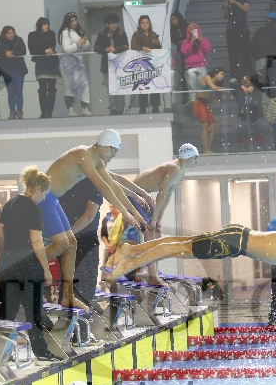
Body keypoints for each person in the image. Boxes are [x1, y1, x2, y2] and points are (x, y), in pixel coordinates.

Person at [104, 225, 276, 339]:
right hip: (235, 243)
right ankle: (129, 263)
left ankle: (131, 250)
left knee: (180, 243)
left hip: (238, 234)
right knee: (179, 249)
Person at [43, 129, 147, 310]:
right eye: (113, 150)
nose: (114, 155)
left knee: (69, 244)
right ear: (105, 146)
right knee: (58, 245)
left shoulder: (95, 161)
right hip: (44, 199)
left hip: (52, 202)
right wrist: (127, 212)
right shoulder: (83, 155)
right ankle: (28, 271)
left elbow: (114, 185)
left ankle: (67, 295)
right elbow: (103, 186)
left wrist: (133, 207)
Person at [0, 166, 59, 362]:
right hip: (27, 264)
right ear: (38, 188)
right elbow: (36, 241)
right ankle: (41, 352)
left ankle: (2, 353)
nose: (44, 198)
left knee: (8, 310)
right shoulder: (33, 208)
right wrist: (46, 270)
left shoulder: (10, 204)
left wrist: (9, 251)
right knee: (34, 310)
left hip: (7, 262)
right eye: (45, 194)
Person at [132, 143, 199, 285]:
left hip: (142, 195)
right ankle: (152, 276)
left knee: (156, 233)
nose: (196, 161)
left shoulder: (180, 171)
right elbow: (161, 194)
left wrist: (159, 218)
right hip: (134, 194)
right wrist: (154, 219)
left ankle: (153, 272)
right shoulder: (174, 168)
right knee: (150, 233)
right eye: (195, 158)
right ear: (188, 157)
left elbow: (168, 194)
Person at [58, 178, 104, 306]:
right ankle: (80, 316)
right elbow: (89, 215)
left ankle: (68, 316)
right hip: (84, 241)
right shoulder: (94, 181)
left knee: (67, 287)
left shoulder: (64, 181)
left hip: (64, 240)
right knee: (83, 289)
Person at [93, 13, 129, 116]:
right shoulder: (101, 34)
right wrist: (106, 49)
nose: (115, 25)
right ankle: (112, 108)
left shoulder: (121, 33)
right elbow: (96, 47)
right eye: (112, 23)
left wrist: (115, 49)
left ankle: (120, 109)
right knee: (109, 88)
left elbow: (126, 46)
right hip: (106, 65)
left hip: (119, 64)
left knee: (120, 86)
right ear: (107, 24)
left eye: (116, 23)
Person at [58, 12, 91, 117]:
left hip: (78, 62)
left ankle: (85, 109)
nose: (74, 23)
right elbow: (66, 49)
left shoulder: (79, 30)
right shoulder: (65, 32)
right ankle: (70, 110)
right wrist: (78, 44)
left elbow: (85, 47)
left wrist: (85, 42)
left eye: (75, 20)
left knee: (84, 84)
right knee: (69, 85)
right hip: (67, 63)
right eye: (71, 21)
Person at [28, 17, 61, 118]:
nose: (47, 26)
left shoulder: (51, 34)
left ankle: (49, 113)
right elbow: (32, 50)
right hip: (41, 63)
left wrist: (43, 51)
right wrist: (44, 51)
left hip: (52, 63)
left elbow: (51, 48)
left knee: (52, 88)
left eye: (47, 24)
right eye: (44, 24)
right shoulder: (32, 35)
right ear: (40, 25)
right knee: (42, 87)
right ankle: (43, 112)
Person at [130, 15, 163, 114]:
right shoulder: (136, 34)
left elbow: (159, 48)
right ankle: (143, 107)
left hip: (153, 62)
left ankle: (155, 106)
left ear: (149, 24)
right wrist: (142, 48)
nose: (145, 25)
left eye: (147, 23)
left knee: (154, 84)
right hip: (141, 62)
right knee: (142, 84)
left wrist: (157, 44)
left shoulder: (153, 34)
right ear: (140, 25)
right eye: (143, 23)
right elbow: (133, 46)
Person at [223, 0, 252, 79]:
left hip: (243, 29)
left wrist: (235, 2)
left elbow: (246, 9)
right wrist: (226, 7)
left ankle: (246, 76)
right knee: (232, 54)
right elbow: (225, 16)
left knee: (245, 53)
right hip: (231, 30)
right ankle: (234, 76)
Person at [0, 26, 28, 120]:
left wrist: (12, 53)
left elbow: (23, 51)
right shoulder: (0, 42)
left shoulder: (19, 40)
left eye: (12, 32)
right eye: (9, 33)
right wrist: (5, 54)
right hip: (7, 70)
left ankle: (19, 111)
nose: (11, 35)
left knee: (18, 91)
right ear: (4, 34)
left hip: (19, 69)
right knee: (10, 92)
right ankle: (12, 112)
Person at [194, 67, 225, 154]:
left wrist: (222, 95)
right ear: (215, 74)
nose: (222, 76)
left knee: (213, 126)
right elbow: (213, 87)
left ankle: (207, 148)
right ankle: (206, 149)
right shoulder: (207, 77)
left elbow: (213, 99)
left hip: (206, 104)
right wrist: (222, 88)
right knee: (205, 125)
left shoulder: (217, 85)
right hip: (199, 103)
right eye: (221, 74)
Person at [235, 76, 270, 151]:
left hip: (257, 117)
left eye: (248, 79)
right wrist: (241, 86)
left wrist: (252, 87)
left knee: (264, 125)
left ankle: (259, 136)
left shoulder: (257, 89)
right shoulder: (238, 90)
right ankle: (245, 137)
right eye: (244, 79)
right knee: (238, 126)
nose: (246, 81)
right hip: (243, 117)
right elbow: (231, 84)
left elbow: (262, 84)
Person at [180, 22, 211, 104]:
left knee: (203, 88)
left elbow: (207, 49)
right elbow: (184, 52)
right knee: (192, 90)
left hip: (201, 66)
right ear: (188, 31)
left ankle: (202, 106)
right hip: (190, 68)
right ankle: (193, 107)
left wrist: (201, 41)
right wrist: (192, 41)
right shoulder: (185, 42)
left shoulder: (203, 40)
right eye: (192, 29)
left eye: (195, 28)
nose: (194, 30)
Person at [170, 11, 189, 104]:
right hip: (180, 53)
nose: (173, 21)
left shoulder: (187, 27)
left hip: (188, 52)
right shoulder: (173, 30)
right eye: (172, 20)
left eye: (174, 19)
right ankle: (185, 96)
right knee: (183, 74)